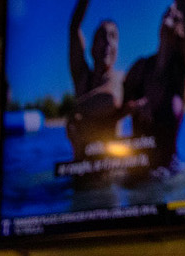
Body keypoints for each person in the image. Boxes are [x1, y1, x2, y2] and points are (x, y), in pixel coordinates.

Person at [124, 0, 185, 174]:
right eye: (167, 10)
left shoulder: (182, 72)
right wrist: (135, 107)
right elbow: (118, 109)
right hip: (136, 173)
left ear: (182, 29)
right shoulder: (140, 67)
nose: (171, 10)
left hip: (168, 175)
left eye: (177, 13)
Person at [64, 0, 124, 159]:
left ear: (117, 50)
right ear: (92, 48)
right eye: (102, 36)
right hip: (81, 169)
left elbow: (111, 99)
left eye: (113, 37)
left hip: (110, 171)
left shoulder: (118, 78)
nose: (108, 42)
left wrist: (75, 110)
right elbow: (74, 29)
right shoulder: (82, 78)